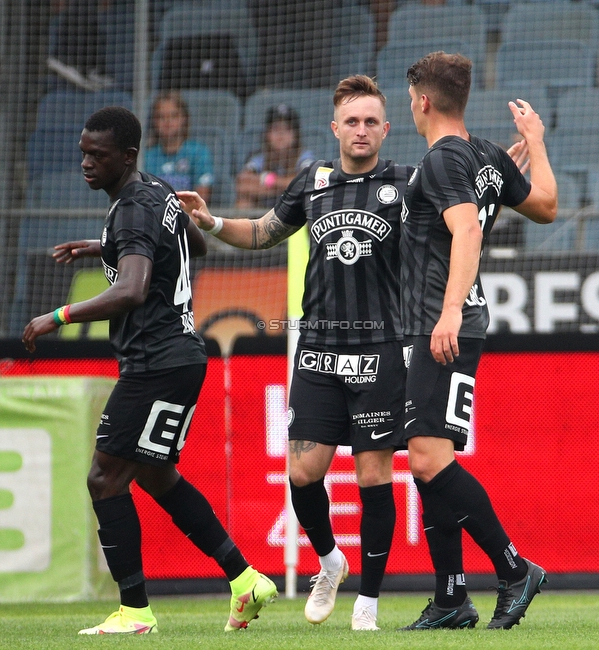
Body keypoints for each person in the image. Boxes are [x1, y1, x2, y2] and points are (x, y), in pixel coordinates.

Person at [21, 106, 277, 635]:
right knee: (158, 477)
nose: (87, 163)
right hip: (181, 357)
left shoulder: (134, 207)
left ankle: (134, 611)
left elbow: (132, 290)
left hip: (154, 364)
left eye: (99, 155)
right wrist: (105, 246)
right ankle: (245, 578)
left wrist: (59, 315)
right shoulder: (156, 192)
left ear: (128, 156)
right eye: (83, 153)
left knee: (103, 478)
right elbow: (195, 243)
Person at [180, 75, 411, 631]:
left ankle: (368, 605)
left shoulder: (405, 183)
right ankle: (330, 560)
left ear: (386, 128)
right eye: (351, 121)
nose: (360, 130)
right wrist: (211, 221)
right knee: (304, 473)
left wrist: (493, 181)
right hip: (318, 352)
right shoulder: (314, 182)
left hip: (380, 350)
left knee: (374, 476)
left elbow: (459, 218)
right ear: (335, 129)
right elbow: (262, 231)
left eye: (370, 121)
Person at [398, 52, 557, 631]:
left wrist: (446, 312)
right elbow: (544, 205)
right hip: (443, 322)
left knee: (428, 457)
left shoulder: (444, 158)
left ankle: (514, 570)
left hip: (445, 324)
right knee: (426, 460)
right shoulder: (486, 155)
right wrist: (534, 142)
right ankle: (449, 599)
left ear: (423, 101)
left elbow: (467, 230)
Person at [234, 104, 314, 209]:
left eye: (287, 129)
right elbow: (242, 184)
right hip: (264, 214)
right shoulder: (259, 158)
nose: (281, 135)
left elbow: (307, 183)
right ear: (267, 134)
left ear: (296, 135)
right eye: (275, 129)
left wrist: (269, 180)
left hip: (294, 214)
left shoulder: (304, 157)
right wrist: (284, 188)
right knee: (243, 201)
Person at [142, 92, 215, 204]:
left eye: (173, 116)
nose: (167, 122)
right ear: (154, 121)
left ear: (184, 119)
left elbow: (201, 198)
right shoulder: (147, 156)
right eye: (161, 117)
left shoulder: (198, 152)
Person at [47, 0, 113, 91]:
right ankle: (63, 61)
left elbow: (105, 5)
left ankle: (91, 71)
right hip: (73, 14)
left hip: (91, 14)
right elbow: (58, 6)